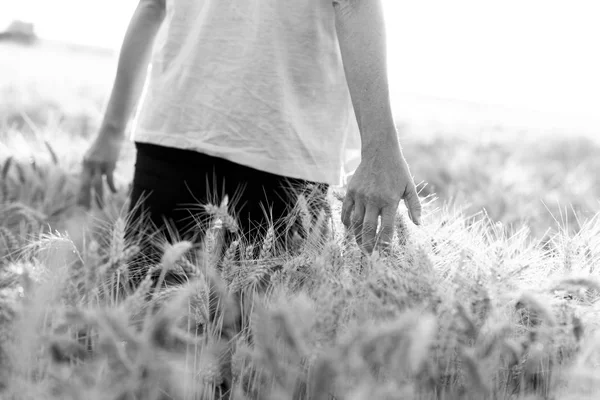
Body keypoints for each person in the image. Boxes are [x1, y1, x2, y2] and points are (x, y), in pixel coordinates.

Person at [78, 0, 422, 266]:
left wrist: (379, 151)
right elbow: (153, 5)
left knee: (255, 337)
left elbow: (354, 4)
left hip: (282, 147)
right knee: (147, 322)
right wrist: (111, 130)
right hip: (175, 129)